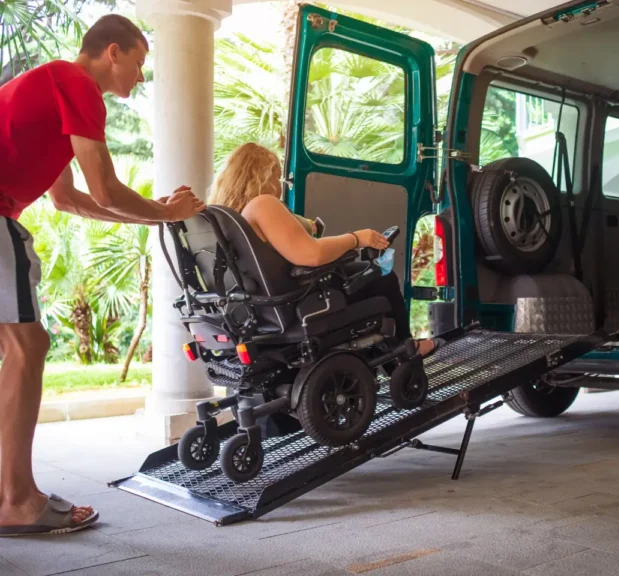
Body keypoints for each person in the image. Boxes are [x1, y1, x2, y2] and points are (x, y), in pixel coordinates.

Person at [0, 15, 205, 536]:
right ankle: (17, 501)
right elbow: (109, 191)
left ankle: (10, 493)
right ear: (112, 52)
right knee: (28, 347)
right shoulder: (76, 85)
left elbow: (70, 200)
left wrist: (155, 210)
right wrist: (168, 215)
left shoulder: (52, 90)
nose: (140, 77)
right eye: (138, 63)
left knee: (21, 347)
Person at [207, 143, 439, 354]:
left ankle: (387, 351)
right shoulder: (262, 204)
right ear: (262, 177)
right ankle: (407, 348)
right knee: (381, 277)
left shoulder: (225, 215)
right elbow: (313, 255)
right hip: (297, 301)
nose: (279, 187)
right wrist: (357, 238)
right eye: (276, 178)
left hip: (259, 309)